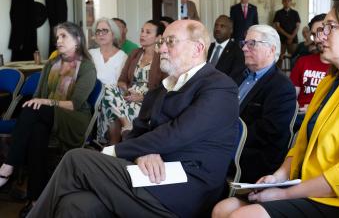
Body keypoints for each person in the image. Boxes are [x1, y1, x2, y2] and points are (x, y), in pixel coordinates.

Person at [213, 1, 339, 218]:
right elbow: (301, 144)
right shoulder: (329, 81)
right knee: (224, 208)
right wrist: (277, 177)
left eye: (329, 28)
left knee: (243, 216)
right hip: (316, 186)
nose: (319, 36)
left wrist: (284, 195)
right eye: (321, 29)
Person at [27, 20, 239, 218]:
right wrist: (140, 154)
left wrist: (117, 150)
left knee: (76, 159)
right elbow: (136, 132)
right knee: (76, 203)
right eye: (162, 42)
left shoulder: (219, 86)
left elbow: (178, 133)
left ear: (198, 48)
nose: (162, 48)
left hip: (186, 187)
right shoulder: (161, 89)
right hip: (147, 175)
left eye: (170, 42)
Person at [0, 22, 97, 217]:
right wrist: (40, 102)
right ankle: (35, 200)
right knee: (35, 128)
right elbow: (37, 95)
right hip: (46, 115)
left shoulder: (87, 67)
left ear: (77, 40)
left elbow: (75, 104)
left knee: (34, 111)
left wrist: (46, 102)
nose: (58, 41)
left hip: (74, 118)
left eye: (63, 37)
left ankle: (8, 167)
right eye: (57, 37)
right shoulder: (52, 64)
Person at [235, 24, 296, 183]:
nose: (244, 48)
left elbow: (267, 132)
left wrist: (225, 139)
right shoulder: (239, 76)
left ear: (271, 49)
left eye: (252, 43)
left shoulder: (281, 86)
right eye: (244, 43)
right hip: (224, 145)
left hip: (251, 157)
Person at [97, 20, 166, 144]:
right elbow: (122, 80)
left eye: (148, 32)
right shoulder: (135, 53)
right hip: (127, 96)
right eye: (142, 31)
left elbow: (164, 88)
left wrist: (142, 97)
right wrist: (124, 90)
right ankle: (126, 125)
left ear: (158, 37)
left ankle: (112, 146)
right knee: (107, 88)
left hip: (146, 102)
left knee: (112, 109)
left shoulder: (162, 57)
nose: (142, 35)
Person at [290, 14, 330, 133]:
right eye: (313, 35)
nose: (317, 39)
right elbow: (292, 95)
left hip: (323, 118)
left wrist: (315, 109)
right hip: (300, 115)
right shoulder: (303, 61)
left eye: (321, 31)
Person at [89, 17, 127, 85]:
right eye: (98, 31)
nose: (100, 34)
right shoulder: (90, 54)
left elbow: (121, 84)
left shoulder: (122, 56)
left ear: (113, 34)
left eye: (105, 30)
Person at [208, 15, 245, 81]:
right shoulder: (207, 47)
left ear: (231, 30)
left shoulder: (237, 51)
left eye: (222, 26)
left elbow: (234, 78)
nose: (218, 29)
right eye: (216, 25)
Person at [273, 0, 301, 67]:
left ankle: (294, 75)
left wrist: (291, 37)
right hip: (281, 39)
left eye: (288, 1)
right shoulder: (278, 13)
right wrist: (288, 36)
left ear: (291, 2)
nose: (287, 2)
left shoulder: (295, 13)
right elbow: (277, 26)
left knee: (294, 58)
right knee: (279, 58)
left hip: (293, 39)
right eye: (285, 1)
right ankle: (277, 75)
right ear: (282, 2)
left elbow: (297, 26)